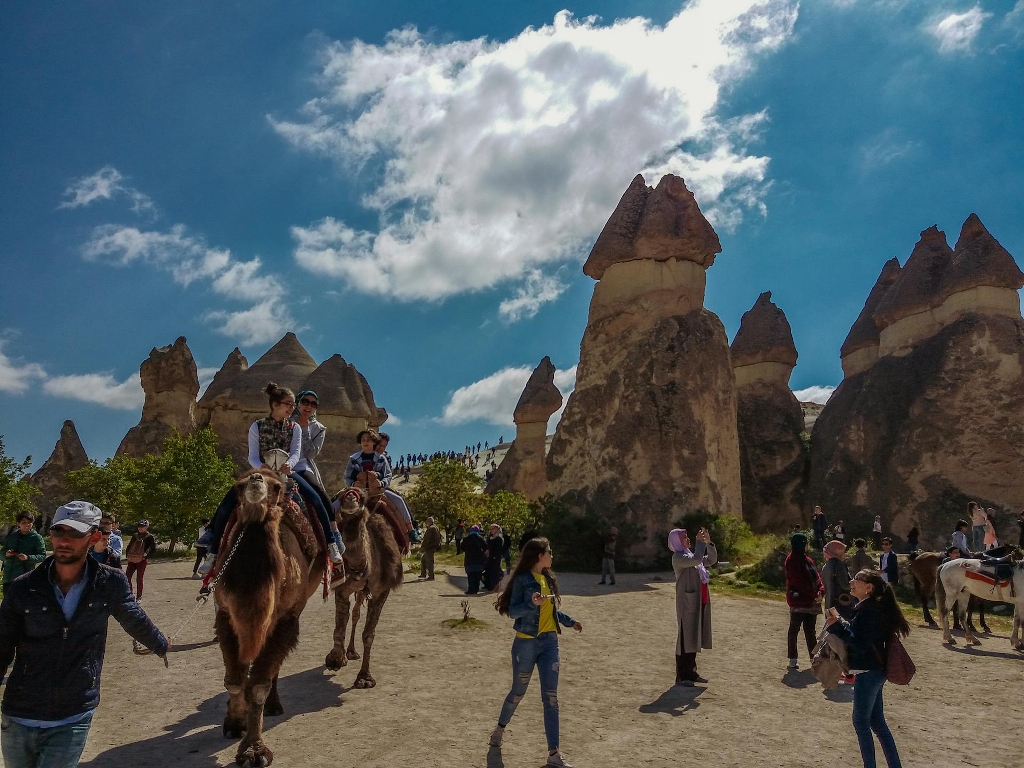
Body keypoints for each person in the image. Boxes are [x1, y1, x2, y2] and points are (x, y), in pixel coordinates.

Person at [0, 501, 168, 768]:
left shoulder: (110, 582)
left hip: (73, 713)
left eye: (75, 533)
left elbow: (131, 616)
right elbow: (2, 644)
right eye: (58, 532)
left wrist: (160, 643)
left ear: (95, 538)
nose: (64, 541)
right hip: (19, 713)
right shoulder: (23, 588)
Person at [200, 382, 345, 575]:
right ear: (275, 404)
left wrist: (289, 466)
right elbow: (252, 454)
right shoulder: (257, 426)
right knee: (229, 502)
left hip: (287, 472)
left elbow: (295, 452)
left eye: (293, 405)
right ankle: (212, 551)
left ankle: (331, 543)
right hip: (262, 472)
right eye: (288, 404)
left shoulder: (294, 428)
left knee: (316, 499)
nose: (292, 409)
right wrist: (261, 467)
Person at [490, 537, 582, 768]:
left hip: (550, 644)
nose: (552, 556)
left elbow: (551, 612)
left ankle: (554, 754)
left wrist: (571, 622)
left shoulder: (548, 579)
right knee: (518, 693)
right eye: (549, 552)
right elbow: (513, 612)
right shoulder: (522, 581)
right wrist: (532, 604)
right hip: (526, 644)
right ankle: (499, 730)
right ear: (540, 556)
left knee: (551, 698)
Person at [825, 569, 910, 768]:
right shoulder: (870, 607)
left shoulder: (867, 611)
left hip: (868, 672)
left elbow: (859, 644)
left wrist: (836, 626)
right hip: (874, 670)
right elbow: (861, 638)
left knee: (860, 722)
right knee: (877, 723)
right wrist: (840, 624)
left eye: (857, 579)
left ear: (868, 588)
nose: (852, 582)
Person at [669, 527, 716, 686]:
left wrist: (708, 543)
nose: (688, 539)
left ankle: (692, 672)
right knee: (685, 637)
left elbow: (710, 560)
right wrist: (699, 542)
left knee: (694, 635)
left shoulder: (689, 555)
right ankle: (683, 676)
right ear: (677, 541)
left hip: (697, 599)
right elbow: (697, 560)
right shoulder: (678, 557)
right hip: (687, 602)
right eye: (685, 537)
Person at [785, 533, 824, 669]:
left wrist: (821, 591)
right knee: (794, 630)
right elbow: (798, 581)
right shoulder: (792, 560)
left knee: (810, 631)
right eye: (806, 543)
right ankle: (793, 659)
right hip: (799, 601)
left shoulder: (808, 559)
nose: (807, 545)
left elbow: (817, 578)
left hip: (811, 601)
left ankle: (814, 659)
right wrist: (814, 594)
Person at [2, 513, 46, 595]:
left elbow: (42, 556)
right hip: (8, 577)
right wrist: (6, 554)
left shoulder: (37, 538)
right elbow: (2, 553)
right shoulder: (11, 537)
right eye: (24, 522)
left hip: (25, 577)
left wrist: (28, 558)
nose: (27, 525)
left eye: (29, 522)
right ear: (18, 524)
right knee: (7, 605)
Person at [124, 520, 156, 601]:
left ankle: (139, 597)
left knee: (139, 578)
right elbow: (129, 546)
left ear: (147, 527)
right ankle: (130, 594)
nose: (140, 528)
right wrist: (128, 555)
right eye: (139, 526)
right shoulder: (135, 535)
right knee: (127, 576)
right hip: (132, 559)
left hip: (142, 560)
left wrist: (145, 556)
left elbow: (153, 548)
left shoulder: (150, 537)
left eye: (142, 526)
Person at [462, 525, 488, 595]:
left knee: (470, 576)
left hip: (469, 559)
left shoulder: (466, 539)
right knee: (477, 575)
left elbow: (462, 548)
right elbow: (485, 547)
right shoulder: (481, 538)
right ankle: (476, 589)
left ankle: (471, 590)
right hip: (479, 560)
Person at [485, 524, 505, 593]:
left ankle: (494, 587)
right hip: (489, 557)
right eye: (491, 529)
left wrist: (494, 556)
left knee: (494, 572)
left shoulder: (498, 538)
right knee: (489, 571)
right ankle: (489, 586)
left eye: (493, 528)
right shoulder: (490, 538)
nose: (491, 530)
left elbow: (498, 549)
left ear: (497, 529)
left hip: (495, 557)